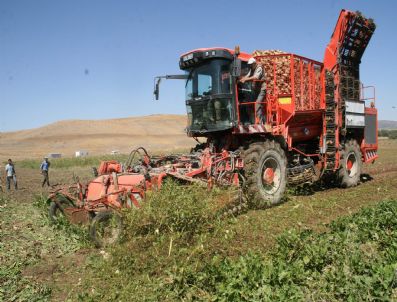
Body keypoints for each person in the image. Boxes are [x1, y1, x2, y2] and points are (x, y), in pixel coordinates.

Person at [239, 57, 267, 124]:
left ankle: (261, 123)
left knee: (257, 104)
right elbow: (247, 76)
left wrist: (245, 80)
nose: (250, 66)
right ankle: (252, 121)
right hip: (255, 89)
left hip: (262, 89)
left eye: (251, 64)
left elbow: (256, 77)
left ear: (254, 63)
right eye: (249, 65)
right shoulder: (252, 69)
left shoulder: (259, 68)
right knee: (250, 104)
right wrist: (240, 80)